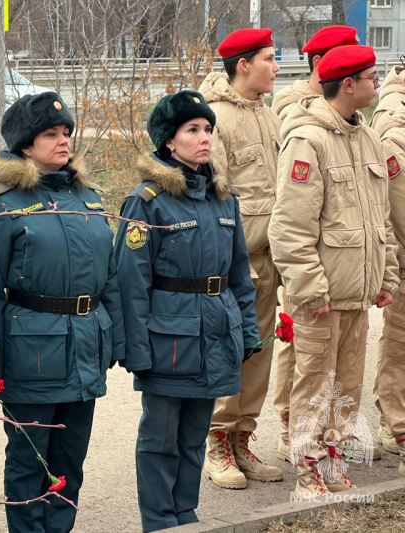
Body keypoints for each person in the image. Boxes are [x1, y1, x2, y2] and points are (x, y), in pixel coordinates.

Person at [0, 92, 126, 533]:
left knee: (69, 461)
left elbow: (109, 277)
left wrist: (114, 338)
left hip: (84, 348)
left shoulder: (89, 199)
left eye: (66, 133)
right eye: (50, 134)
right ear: (25, 145)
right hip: (29, 355)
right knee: (28, 462)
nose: (63, 142)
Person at [115, 90, 259, 532]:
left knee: (195, 437)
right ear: (168, 142)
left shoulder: (223, 198)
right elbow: (130, 283)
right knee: (161, 440)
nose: (204, 139)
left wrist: (248, 332)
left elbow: (239, 274)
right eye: (192, 130)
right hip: (169, 341)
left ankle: (186, 516)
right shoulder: (148, 201)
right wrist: (135, 349)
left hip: (216, 335)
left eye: (208, 130)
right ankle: (160, 521)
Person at [269, 45, 398, 499]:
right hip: (321, 296)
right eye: (371, 76)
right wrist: (309, 289)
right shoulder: (308, 140)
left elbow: (379, 219)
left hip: (357, 294)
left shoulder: (367, 137)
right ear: (348, 84)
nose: (377, 84)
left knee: (347, 385)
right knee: (314, 385)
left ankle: (334, 460)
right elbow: (289, 226)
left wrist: (387, 278)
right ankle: (306, 470)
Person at [270, 25, 362, 464]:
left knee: (335, 362)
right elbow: (293, 212)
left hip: (339, 263)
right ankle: (293, 426)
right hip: (307, 255)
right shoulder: (298, 113)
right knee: (303, 351)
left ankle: (326, 438)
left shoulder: (352, 124)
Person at [198, 27, 284, 489]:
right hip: (238, 263)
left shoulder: (269, 117)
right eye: (270, 58)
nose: (277, 67)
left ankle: (242, 439)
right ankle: (216, 442)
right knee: (230, 352)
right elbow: (216, 199)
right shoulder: (217, 117)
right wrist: (234, 261)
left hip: (270, 260)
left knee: (260, 354)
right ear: (244, 64)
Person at [370, 68, 405, 471]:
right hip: (402, 256)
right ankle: (392, 423)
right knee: (398, 343)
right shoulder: (394, 122)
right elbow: (398, 210)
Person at [271, 26, 359, 122]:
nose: (354, 69)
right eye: (346, 62)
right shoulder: (296, 110)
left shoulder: (343, 104)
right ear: (318, 63)